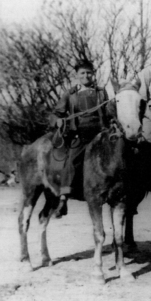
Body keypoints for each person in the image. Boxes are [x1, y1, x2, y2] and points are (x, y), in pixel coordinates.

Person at [53, 59, 111, 217]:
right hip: (79, 135)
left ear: (93, 74)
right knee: (71, 161)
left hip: (100, 135)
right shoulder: (70, 94)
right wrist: (58, 120)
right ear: (77, 75)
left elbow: (108, 113)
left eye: (89, 73)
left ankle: (121, 195)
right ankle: (64, 198)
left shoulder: (101, 92)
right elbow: (57, 113)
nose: (86, 76)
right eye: (82, 73)